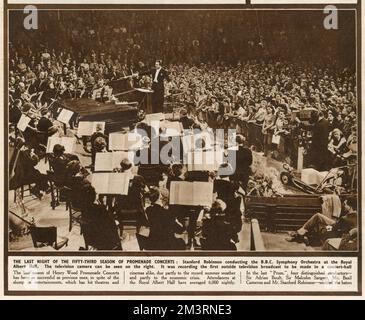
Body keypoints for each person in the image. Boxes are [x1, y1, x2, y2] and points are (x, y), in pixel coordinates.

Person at [286, 198, 357, 245]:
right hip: (340, 227)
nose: (343, 206)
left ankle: (299, 235)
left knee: (317, 217)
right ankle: (300, 234)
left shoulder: (346, 218)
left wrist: (328, 227)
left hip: (337, 229)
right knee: (318, 216)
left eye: (345, 204)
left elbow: (336, 227)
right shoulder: (357, 215)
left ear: (350, 207)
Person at [79, 184, 121, 250]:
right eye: (95, 193)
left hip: (91, 239)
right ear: (93, 196)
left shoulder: (84, 209)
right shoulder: (100, 209)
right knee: (114, 225)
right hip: (103, 241)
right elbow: (111, 223)